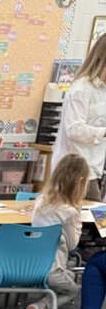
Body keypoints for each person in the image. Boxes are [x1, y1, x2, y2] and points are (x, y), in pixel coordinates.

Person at [7, 153, 93, 309]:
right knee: (72, 289)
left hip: (29, 266)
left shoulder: (41, 201)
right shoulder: (69, 211)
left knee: (69, 275)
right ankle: (40, 308)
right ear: (80, 182)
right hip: (51, 270)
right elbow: (72, 245)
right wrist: (77, 217)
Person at [51, 33, 106, 200]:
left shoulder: (102, 91)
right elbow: (74, 129)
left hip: (94, 169)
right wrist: (103, 132)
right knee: (93, 223)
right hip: (74, 172)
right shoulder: (82, 89)